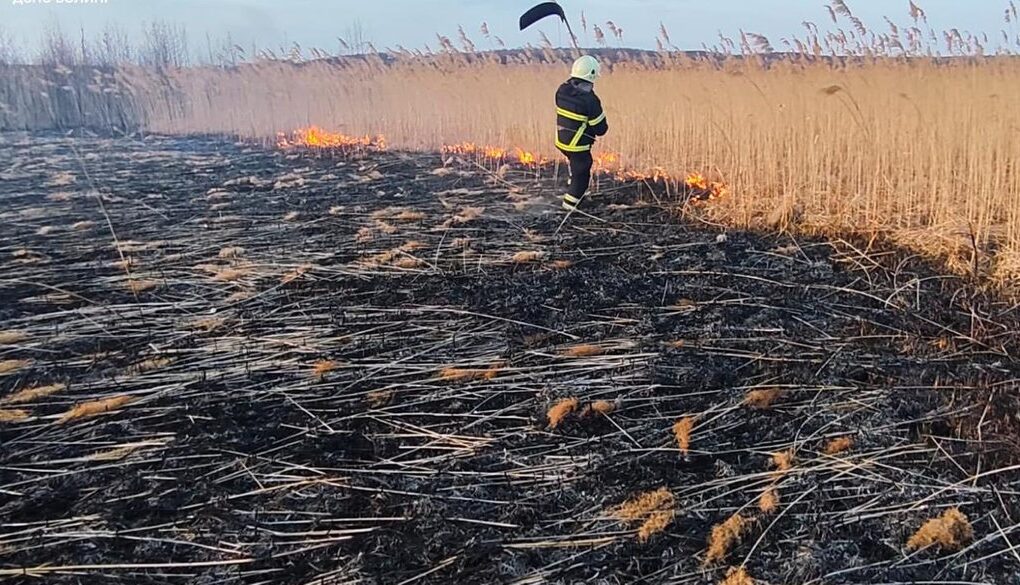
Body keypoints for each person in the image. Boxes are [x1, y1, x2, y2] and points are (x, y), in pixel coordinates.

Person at [555, 55, 609, 213]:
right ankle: (569, 207)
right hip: (578, 146)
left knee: (575, 166)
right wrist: (591, 96)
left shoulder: (561, 90)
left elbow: (575, 90)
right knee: (582, 174)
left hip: (562, 142)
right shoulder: (590, 101)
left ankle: (574, 194)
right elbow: (601, 129)